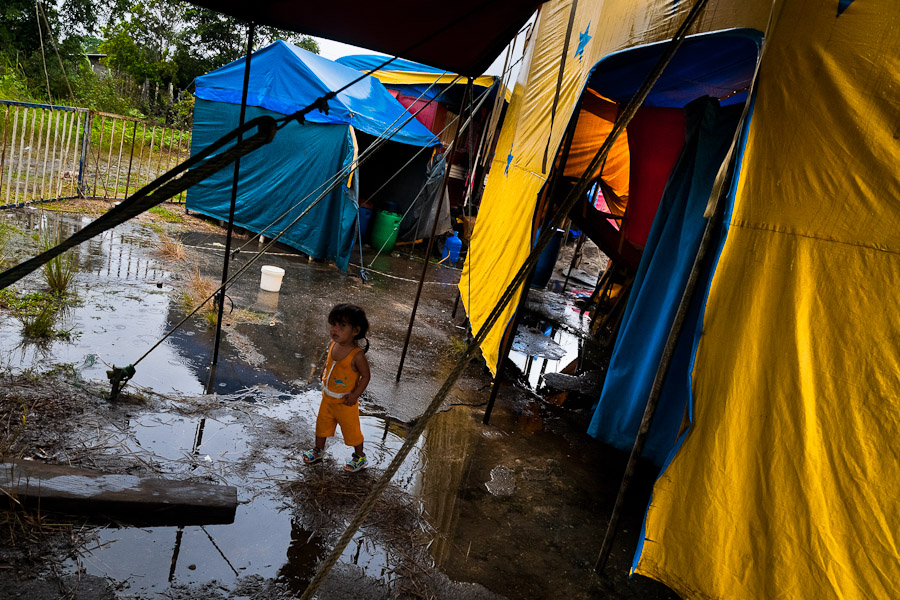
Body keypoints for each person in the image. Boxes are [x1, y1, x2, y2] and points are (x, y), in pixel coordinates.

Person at [302, 304, 371, 472]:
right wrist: (323, 372)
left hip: (345, 402)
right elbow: (329, 363)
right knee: (321, 425)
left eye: (342, 325)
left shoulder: (357, 355)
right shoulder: (334, 344)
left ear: (355, 330)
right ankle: (318, 450)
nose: (335, 329)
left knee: (351, 431)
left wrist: (355, 394)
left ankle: (359, 457)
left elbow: (366, 376)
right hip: (328, 398)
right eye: (333, 324)